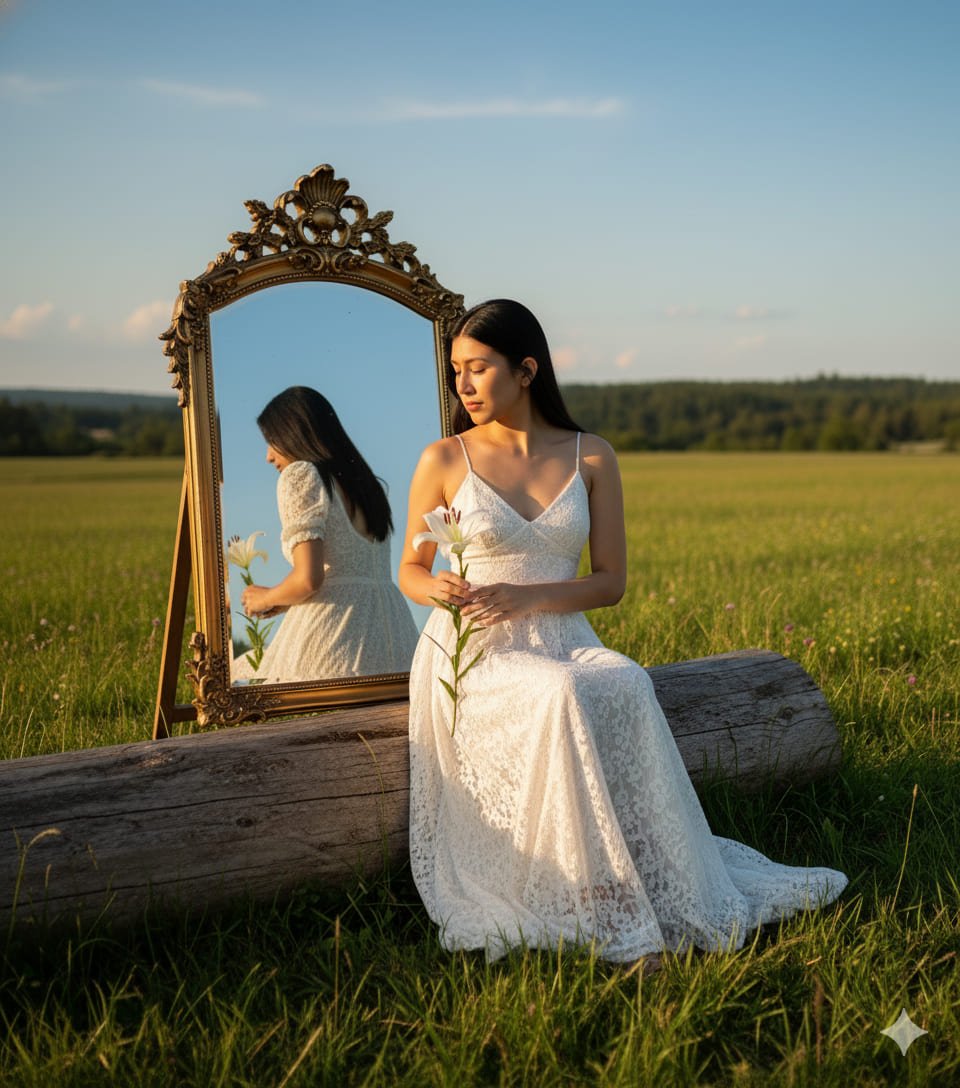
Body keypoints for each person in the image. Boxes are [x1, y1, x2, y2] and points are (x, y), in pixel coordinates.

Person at [398, 299, 847, 966]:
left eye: (479, 368)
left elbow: (610, 582)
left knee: (627, 680)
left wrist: (528, 597)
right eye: (456, 370)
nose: (463, 384)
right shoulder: (444, 458)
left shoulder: (593, 456)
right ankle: (595, 903)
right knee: (558, 695)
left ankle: (648, 878)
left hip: (564, 636)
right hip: (474, 651)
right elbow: (410, 569)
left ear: (526, 370)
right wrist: (438, 588)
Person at [234, 385, 418, 683]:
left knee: (239, 682)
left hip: (334, 639)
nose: (268, 456)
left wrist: (265, 597)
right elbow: (350, 573)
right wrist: (286, 598)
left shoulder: (300, 474)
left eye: (272, 441)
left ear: (294, 433)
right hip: (395, 636)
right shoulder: (370, 487)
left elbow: (309, 578)